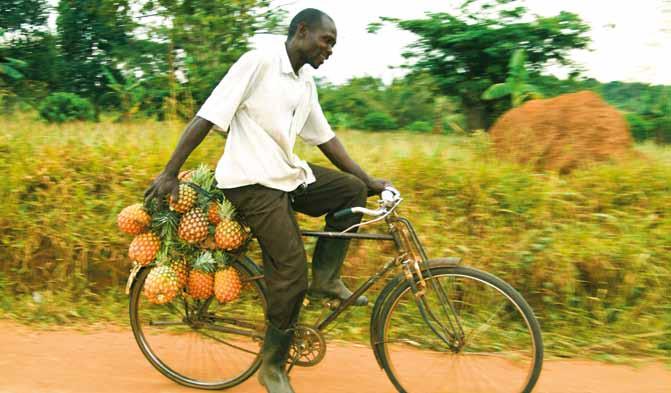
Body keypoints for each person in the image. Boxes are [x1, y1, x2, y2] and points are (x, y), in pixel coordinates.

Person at [144, 8, 390, 393]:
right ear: (302, 31)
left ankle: (326, 279)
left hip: (285, 175)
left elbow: (325, 138)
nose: (330, 50)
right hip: (251, 182)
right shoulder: (258, 62)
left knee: (350, 191)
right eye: (326, 41)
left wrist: (368, 179)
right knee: (291, 270)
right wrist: (170, 171)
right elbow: (208, 116)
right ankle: (272, 366)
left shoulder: (304, 81)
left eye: (333, 45)